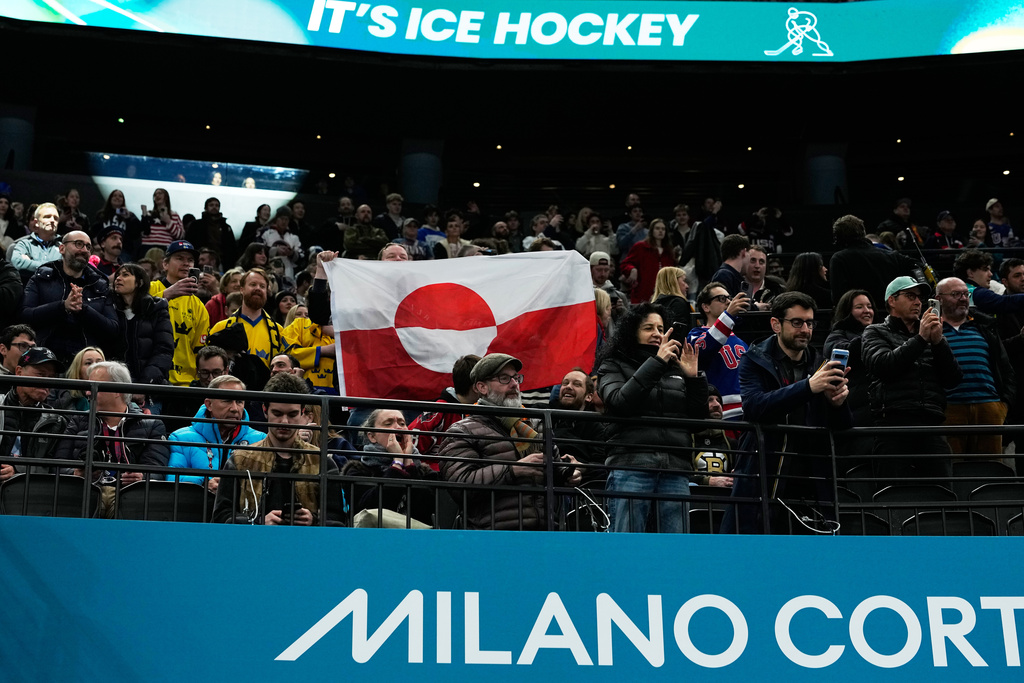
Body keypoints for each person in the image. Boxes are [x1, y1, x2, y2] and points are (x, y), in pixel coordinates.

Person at [724, 292, 851, 534]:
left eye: (810, 323)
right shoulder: (753, 359)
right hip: (763, 473)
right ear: (775, 324)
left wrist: (838, 404)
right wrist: (808, 386)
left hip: (811, 478)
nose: (805, 329)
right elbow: (754, 407)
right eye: (797, 322)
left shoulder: (820, 363)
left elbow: (843, 427)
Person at [597, 302, 708, 533]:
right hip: (632, 464)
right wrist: (657, 362)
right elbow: (620, 402)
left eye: (660, 328)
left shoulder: (676, 368)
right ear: (632, 331)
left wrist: (694, 378)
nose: (657, 333)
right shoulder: (613, 364)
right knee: (627, 545)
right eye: (649, 328)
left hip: (675, 469)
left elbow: (698, 422)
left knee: (674, 549)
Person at [439, 353, 581, 530]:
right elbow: (459, 486)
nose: (514, 384)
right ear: (482, 387)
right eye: (504, 378)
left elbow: (553, 472)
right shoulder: (462, 431)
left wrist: (568, 472)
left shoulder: (535, 425)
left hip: (544, 535)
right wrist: (513, 470)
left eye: (516, 378)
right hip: (494, 538)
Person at [861, 276, 963, 485]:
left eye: (919, 297)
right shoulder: (875, 331)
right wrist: (920, 339)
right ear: (892, 300)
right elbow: (883, 366)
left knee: (943, 493)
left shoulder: (931, 335)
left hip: (931, 423)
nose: (918, 302)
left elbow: (954, 379)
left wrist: (938, 343)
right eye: (910, 296)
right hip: (893, 425)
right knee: (893, 494)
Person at [214, 372, 344, 525]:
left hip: (306, 545)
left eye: (292, 414)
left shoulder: (323, 462)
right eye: (277, 413)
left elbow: (339, 521)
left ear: (303, 412)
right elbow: (221, 517)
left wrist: (314, 520)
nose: (285, 421)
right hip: (255, 545)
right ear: (265, 410)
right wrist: (258, 522)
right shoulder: (239, 459)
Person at [54, 361, 169, 517]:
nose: (88, 393)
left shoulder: (152, 425)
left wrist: (141, 476)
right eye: (89, 387)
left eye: (96, 386)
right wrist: (75, 473)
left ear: (117, 390)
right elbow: (57, 464)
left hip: (130, 496)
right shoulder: (78, 420)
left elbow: (158, 471)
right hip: (86, 492)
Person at [935, 277, 1015, 457]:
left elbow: (1005, 368)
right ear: (939, 299)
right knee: (954, 470)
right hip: (950, 409)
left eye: (966, 294)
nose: (963, 298)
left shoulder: (985, 327)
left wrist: (1003, 404)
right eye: (956, 294)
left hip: (989, 408)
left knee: (991, 469)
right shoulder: (930, 329)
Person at [22, 230, 116, 366]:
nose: (84, 250)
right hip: (45, 360)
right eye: (78, 244)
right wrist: (62, 307)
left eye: (88, 247)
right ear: (62, 248)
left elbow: (113, 329)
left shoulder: (100, 286)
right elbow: (25, 315)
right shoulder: (41, 278)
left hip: (84, 365)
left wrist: (84, 310)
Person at [167, 374, 266, 491]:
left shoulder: (261, 440)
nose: (234, 408)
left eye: (239, 401)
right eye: (227, 401)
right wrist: (204, 483)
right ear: (209, 404)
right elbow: (172, 480)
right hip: (196, 506)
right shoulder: (180, 438)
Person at [98, 263, 174, 395]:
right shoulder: (109, 309)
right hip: (115, 389)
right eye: (117, 275)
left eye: (125, 275)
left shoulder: (157, 309)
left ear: (139, 282)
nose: (118, 279)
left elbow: (164, 351)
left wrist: (144, 387)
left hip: (149, 389)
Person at [829, 214, 920, 316]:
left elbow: (838, 297)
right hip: (889, 317)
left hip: (858, 320)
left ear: (839, 238)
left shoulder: (839, 259)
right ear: (863, 231)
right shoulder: (891, 255)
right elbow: (919, 267)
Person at [148, 240, 211, 386]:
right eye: (180, 258)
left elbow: (199, 350)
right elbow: (134, 313)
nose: (186, 263)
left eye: (190, 260)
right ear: (165, 264)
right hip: (151, 379)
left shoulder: (198, 306)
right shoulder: (149, 289)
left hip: (185, 383)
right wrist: (166, 295)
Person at [687, 283, 751, 420]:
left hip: (747, 412)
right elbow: (705, 347)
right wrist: (728, 316)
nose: (728, 301)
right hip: (719, 414)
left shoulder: (741, 342)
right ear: (706, 307)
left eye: (729, 297)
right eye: (722, 298)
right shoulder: (695, 335)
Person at [0, 347, 64, 481]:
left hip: (29, 493)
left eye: (51, 377)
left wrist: (17, 470)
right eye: (40, 374)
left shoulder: (56, 421)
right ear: (19, 372)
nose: (46, 382)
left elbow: (53, 467)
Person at [209, 268, 291, 372]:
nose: (258, 288)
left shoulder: (278, 331)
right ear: (242, 289)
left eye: (262, 286)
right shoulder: (221, 328)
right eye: (253, 284)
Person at [408, 354, 481, 459]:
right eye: (487, 382)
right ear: (476, 387)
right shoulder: (438, 412)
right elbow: (409, 447)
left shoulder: (482, 412)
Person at [619, 218, 677, 304]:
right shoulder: (640, 247)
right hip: (643, 294)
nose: (660, 231)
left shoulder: (668, 251)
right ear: (651, 231)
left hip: (664, 295)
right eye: (657, 228)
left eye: (663, 229)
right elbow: (625, 263)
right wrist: (632, 269)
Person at [954, 249, 1024, 316]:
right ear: (970, 273)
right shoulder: (978, 293)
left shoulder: (957, 291)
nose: (990, 274)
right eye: (985, 270)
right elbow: (1005, 302)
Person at [691, 387, 734, 488]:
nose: (716, 405)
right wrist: (706, 481)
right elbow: (677, 478)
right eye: (709, 400)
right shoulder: (686, 440)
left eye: (718, 400)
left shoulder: (732, 444)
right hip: (694, 497)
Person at [8, 203, 61, 284]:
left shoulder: (64, 246)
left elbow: (69, 270)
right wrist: (54, 268)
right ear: (36, 222)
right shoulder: (24, 244)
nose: (52, 220)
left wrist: (31, 264)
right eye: (47, 217)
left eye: (56, 218)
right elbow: (18, 263)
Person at [186, 197, 237, 268]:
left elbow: (232, 247)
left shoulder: (226, 227)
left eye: (217, 205)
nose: (214, 207)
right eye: (211, 205)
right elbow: (189, 242)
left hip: (221, 261)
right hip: (200, 260)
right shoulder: (196, 225)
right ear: (206, 208)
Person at [744, 245, 785, 310]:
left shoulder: (777, 290)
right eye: (753, 260)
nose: (757, 266)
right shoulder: (736, 286)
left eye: (761, 262)